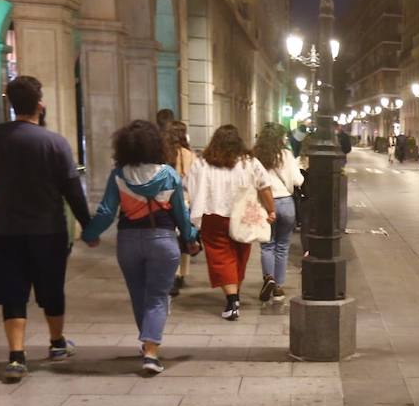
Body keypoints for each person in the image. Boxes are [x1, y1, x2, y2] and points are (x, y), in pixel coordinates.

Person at [0, 76, 91, 383]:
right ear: (40, 104)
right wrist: (88, 226)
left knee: (11, 291)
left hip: (4, 228)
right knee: (51, 288)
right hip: (46, 229)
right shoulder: (54, 142)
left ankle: (16, 356)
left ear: (10, 104)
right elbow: (71, 190)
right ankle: (56, 344)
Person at [83, 120, 200, 376]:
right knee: (157, 297)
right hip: (163, 240)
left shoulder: (119, 175)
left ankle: (147, 342)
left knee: (139, 295)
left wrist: (90, 234)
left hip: (128, 242)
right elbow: (181, 212)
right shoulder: (168, 174)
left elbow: (105, 212)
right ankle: (150, 352)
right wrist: (191, 236)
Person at [185, 125, 276, 320]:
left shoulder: (202, 163)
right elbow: (265, 186)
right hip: (243, 216)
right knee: (240, 254)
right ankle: (234, 295)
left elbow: (190, 189)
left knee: (221, 256)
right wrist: (271, 210)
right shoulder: (249, 162)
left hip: (213, 216)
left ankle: (232, 299)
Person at [253, 122, 304, 303]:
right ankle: (278, 288)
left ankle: (269, 278)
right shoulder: (287, 155)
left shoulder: (256, 156)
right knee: (282, 246)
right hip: (286, 203)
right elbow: (298, 180)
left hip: (265, 204)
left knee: (267, 245)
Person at [162, 120, 196, 296]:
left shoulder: (163, 153)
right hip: (185, 199)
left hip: (167, 199)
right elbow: (193, 179)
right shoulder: (188, 154)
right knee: (184, 235)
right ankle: (182, 272)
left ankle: (173, 274)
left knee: (172, 236)